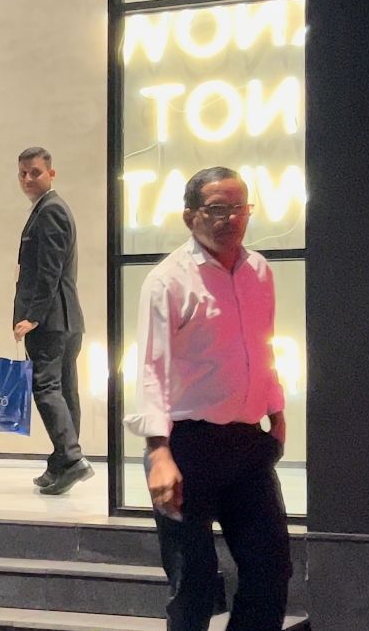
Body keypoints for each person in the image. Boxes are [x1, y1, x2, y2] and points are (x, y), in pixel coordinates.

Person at [133, 167, 291, 630]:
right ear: (190, 216)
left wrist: (276, 411)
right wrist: (159, 451)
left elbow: (262, 347)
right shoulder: (168, 281)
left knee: (270, 571)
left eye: (240, 208)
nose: (231, 219)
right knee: (195, 585)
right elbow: (152, 368)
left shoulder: (259, 271)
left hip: (248, 445)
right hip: (187, 447)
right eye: (218, 209)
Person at [12, 146, 91, 495]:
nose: (28, 179)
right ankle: (61, 463)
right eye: (23, 173)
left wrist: (32, 317)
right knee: (64, 390)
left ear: (51, 174)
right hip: (65, 321)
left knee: (45, 388)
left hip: (52, 321)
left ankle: (71, 460)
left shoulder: (51, 210)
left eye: (35, 172)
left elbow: (49, 271)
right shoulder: (47, 209)